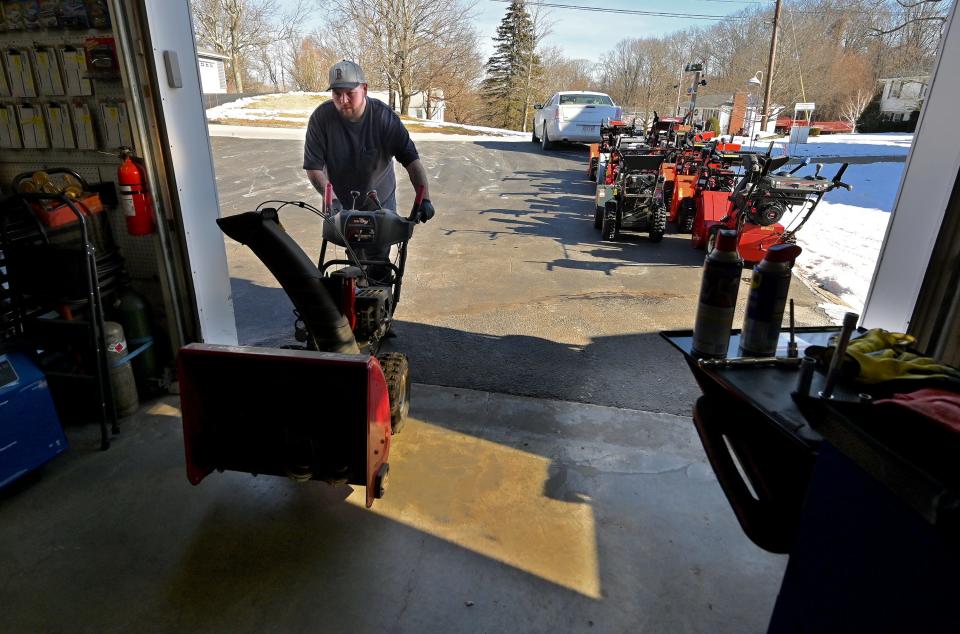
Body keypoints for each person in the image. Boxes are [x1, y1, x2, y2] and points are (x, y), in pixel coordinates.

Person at [303, 59, 435, 225]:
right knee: (351, 247)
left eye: (350, 93)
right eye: (337, 94)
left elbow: (411, 161)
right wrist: (333, 201)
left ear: (364, 89)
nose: (343, 100)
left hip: (380, 206)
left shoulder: (384, 118)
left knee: (378, 249)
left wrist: (425, 199)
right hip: (339, 204)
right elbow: (313, 168)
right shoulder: (321, 119)